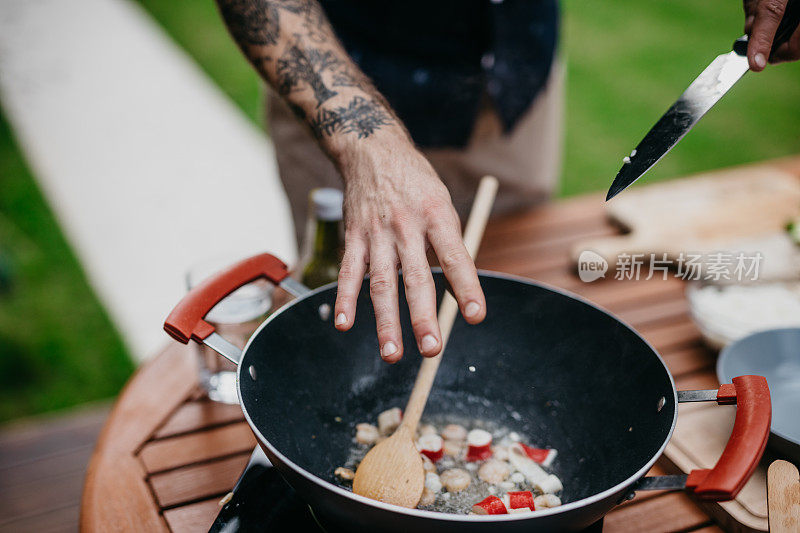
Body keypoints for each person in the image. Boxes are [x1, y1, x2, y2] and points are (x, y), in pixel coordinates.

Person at [214, 0, 800, 364]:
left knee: (503, 302)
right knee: (351, 325)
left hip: (513, 80)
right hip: (339, 99)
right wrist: (370, 146)